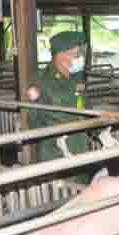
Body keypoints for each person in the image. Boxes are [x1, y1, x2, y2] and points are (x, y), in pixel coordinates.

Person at [26, 30, 91, 164]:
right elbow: (34, 121)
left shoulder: (76, 77)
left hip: (80, 146)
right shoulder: (41, 80)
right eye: (76, 54)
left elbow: (85, 106)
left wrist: (101, 130)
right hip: (55, 152)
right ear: (61, 56)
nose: (80, 58)